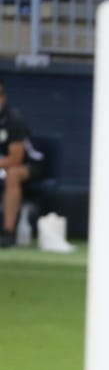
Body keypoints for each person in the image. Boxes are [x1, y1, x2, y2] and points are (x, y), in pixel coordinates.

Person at [0, 78, 44, 248]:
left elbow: (15, 159)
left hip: (29, 165)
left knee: (13, 174)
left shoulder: (13, 120)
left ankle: (9, 233)